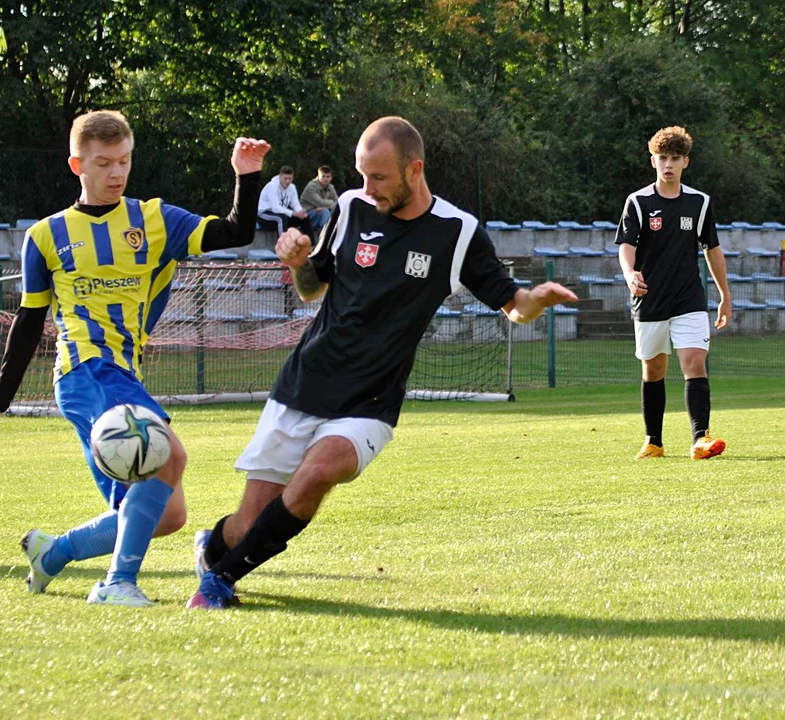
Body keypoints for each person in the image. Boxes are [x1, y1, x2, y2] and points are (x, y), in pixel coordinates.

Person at [186, 116, 578, 609]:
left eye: (379, 177)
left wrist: (536, 299)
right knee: (248, 521)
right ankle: (215, 548)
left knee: (320, 470)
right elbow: (312, 289)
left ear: (415, 170)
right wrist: (298, 262)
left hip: (371, 400)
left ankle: (218, 580)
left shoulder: (456, 232)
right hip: (305, 381)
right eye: (361, 175)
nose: (366, 188)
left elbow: (512, 305)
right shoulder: (350, 208)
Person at [0, 109, 271, 606]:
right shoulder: (45, 236)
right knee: (171, 453)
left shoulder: (153, 219)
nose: (116, 173)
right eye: (104, 163)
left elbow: (236, 232)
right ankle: (116, 585)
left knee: (168, 514)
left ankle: (54, 553)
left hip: (121, 373)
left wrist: (246, 175)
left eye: (124, 162)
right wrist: (0, 399)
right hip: (85, 370)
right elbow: (29, 323)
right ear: (78, 165)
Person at [616, 126, 731, 462]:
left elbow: (713, 250)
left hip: (688, 299)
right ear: (653, 161)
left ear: (685, 162)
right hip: (650, 299)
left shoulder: (699, 203)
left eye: (675, 159)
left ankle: (701, 439)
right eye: (663, 158)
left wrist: (725, 294)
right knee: (654, 371)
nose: (668, 164)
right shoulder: (638, 202)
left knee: (695, 363)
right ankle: (653, 441)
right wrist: (629, 275)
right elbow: (626, 246)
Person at [258, 165, 314, 239]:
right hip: (264, 216)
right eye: (285, 178)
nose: (287, 181)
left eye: (290, 178)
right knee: (280, 218)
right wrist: (294, 213)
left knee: (305, 218)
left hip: (282, 215)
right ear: (280, 176)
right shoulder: (272, 186)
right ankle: (282, 246)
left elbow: (295, 204)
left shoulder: (292, 187)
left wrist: (301, 212)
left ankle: (311, 245)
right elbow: (276, 208)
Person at [299, 165, 339, 238]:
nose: (326, 179)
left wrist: (325, 205)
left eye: (328, 177)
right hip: (305, 217)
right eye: (323, 176)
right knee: (324, 211)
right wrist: (328, 204)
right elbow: (321, 202)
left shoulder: (330, 187)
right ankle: (325, 236)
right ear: (318, 176)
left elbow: (338, 202)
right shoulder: (311, 187)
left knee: (333, 212)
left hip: (318, 214)